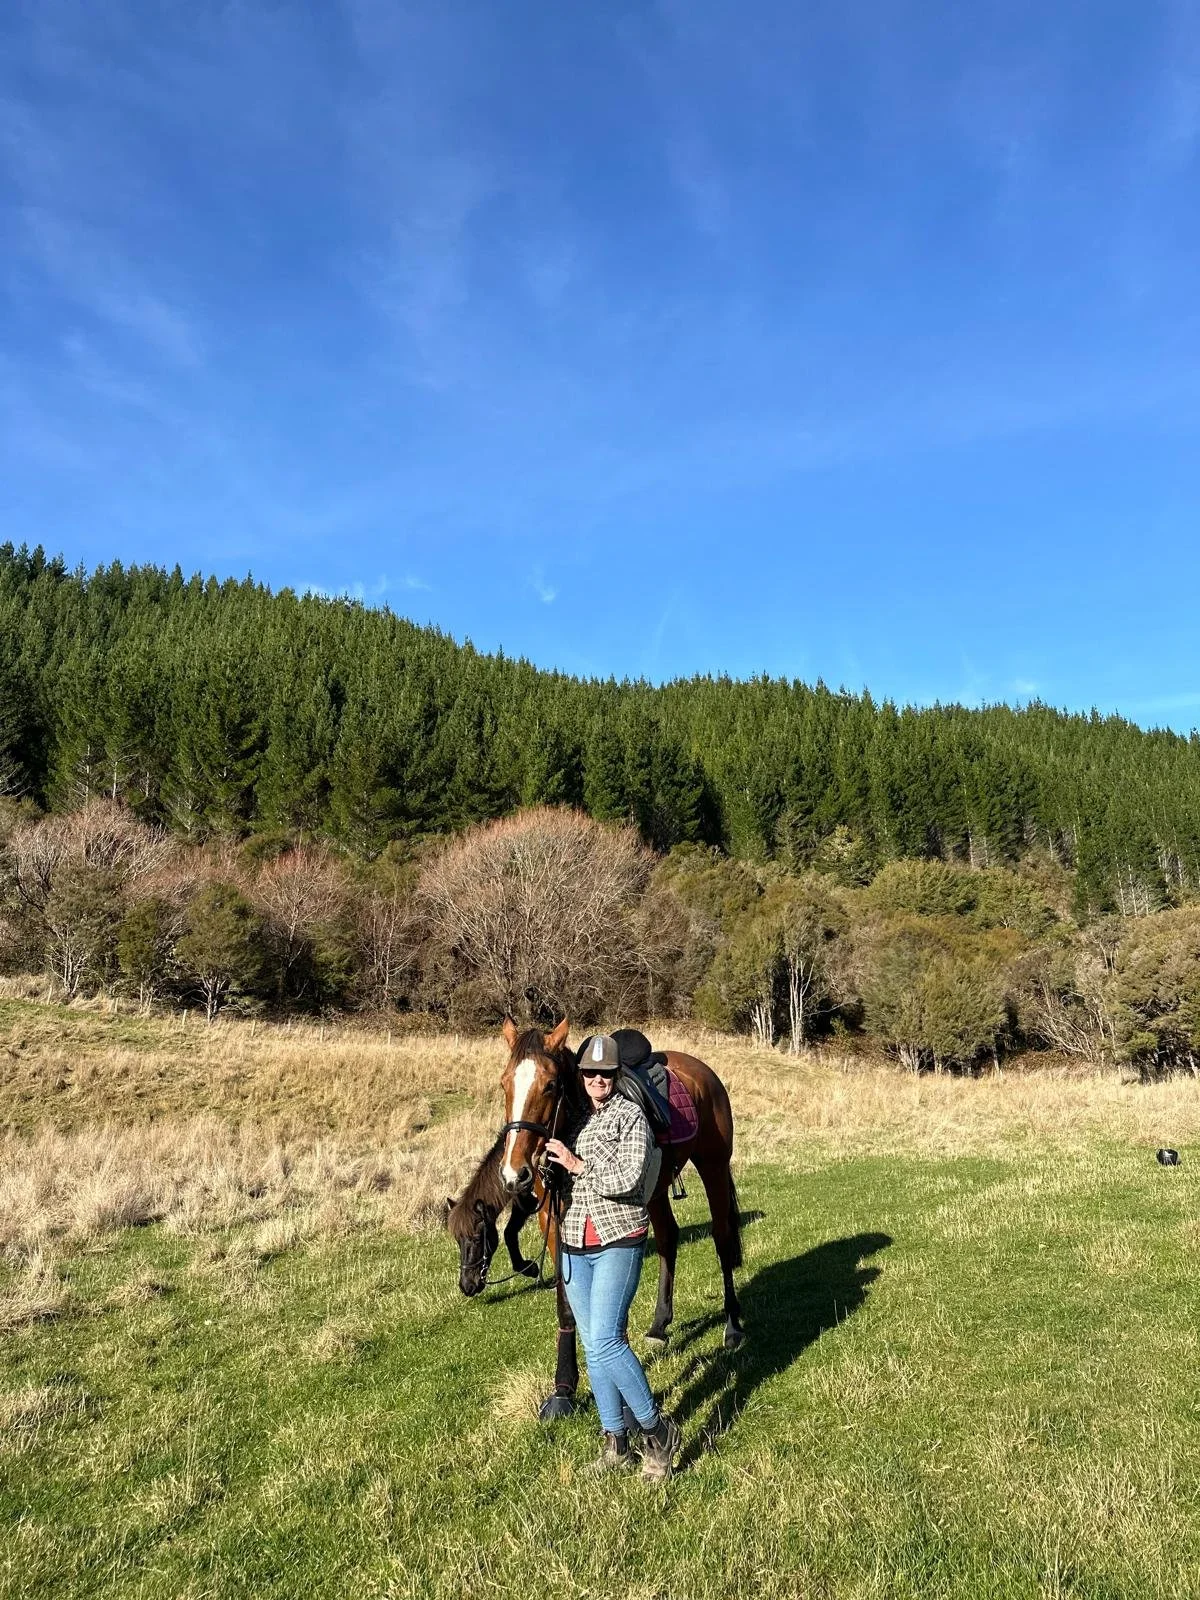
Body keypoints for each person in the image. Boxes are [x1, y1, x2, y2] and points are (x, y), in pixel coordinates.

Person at [545, 1033, 682, 1481]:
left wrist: (578, 1164)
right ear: (581, 1076)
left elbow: (628, 1177)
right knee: (591, 1344)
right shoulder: (579, 1120)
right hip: (575, 1243)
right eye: (589, 1073)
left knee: (607, 1340)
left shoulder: (631, 1117)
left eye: (605, 1073)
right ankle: (614, 1443)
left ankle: (657, 1431)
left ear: (615, 1075)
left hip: (618, 1239)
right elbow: (566, 1176)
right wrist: (554, 1172)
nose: (597, 1080)